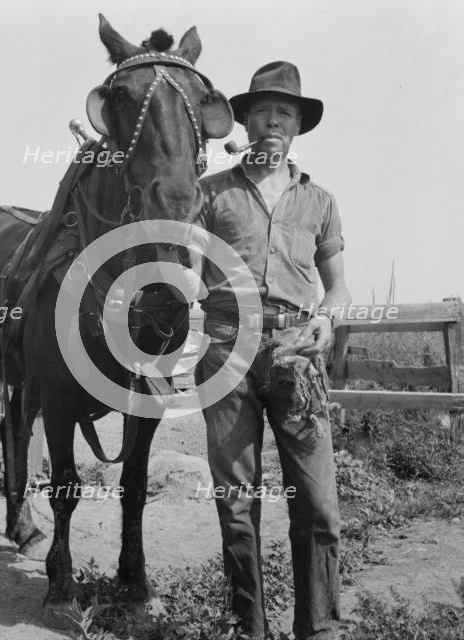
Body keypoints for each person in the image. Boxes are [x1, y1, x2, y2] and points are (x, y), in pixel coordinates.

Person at [159, 60, 351, 640]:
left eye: (285, 113)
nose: (273, 122)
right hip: (226, 347)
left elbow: (339, 286)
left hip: (298, 350)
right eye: (263, 111)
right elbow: (186, 269)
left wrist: (327, 319)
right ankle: (250, 628)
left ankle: (318, 627)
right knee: (237, 501)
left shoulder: (319, 201)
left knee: (317, 503)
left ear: (297, 126)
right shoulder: (211, 194)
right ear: (244, 121)